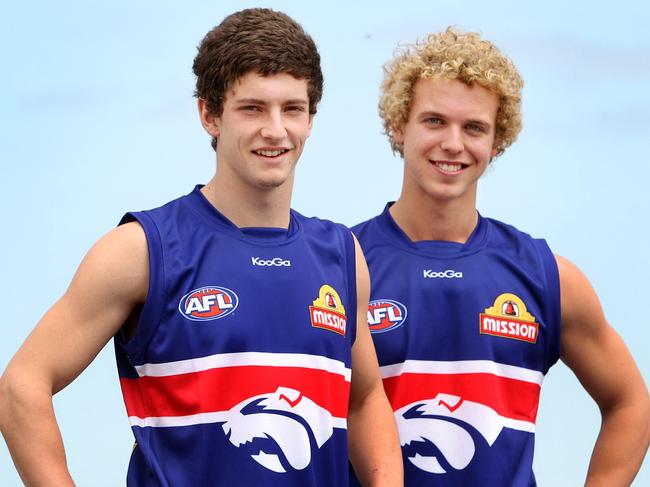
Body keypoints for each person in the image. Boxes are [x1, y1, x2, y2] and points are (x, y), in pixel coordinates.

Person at [0, 8, 402, 486]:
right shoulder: (141, 250)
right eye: (252, 108)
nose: (275, 130)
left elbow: (364, 399)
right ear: (209, 114)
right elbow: (21, 387)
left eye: (292, 108)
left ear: (311, 118)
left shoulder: (340, 253)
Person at [351, 27, 649, 486]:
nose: (453, 143)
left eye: (474, 127)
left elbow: (631, 403)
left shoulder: (546, 276)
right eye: (434, 121)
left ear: (497, 141)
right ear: (398, 124)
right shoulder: (342, 265)